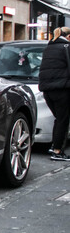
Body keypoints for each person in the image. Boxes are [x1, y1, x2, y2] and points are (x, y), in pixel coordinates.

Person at [39, 26, 70, 161]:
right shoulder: (66, 47)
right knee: (63, 120)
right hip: (62, 89)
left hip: (47, 90)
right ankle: (57, 151)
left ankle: (55, 146)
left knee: (59, 119)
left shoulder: (48, 48)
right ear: (68, 36)